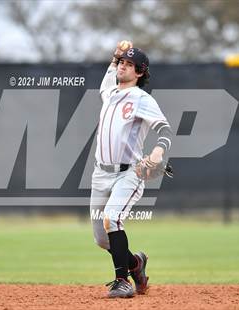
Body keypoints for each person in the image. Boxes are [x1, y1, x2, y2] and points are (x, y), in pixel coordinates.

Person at [89, 41, 173, 298]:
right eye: (122, 63)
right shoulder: (109, 92)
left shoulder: (141, 98)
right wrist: (116, 55)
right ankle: (136, 264)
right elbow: (110, 73)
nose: (123, 67)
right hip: (100, 173)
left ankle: (122, 281)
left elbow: (164, 129)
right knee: (102, 239)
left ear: (140, 72)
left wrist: (158, 152)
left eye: (129, 65)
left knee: (112, 218)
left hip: (128, 173)